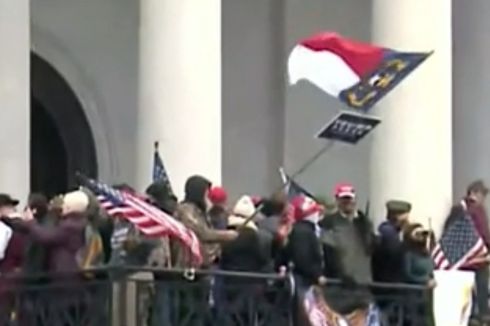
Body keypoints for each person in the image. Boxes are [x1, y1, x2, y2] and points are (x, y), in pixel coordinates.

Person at [319, 183, 376, 316]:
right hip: (340, 286)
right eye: (343, 199)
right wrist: (340, 274)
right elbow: (328, 252)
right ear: (337, 201)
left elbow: (371, 247)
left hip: (364, 283)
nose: (347, 203)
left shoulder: (364, 222)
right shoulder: (329, 223)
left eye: (349, 199)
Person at [444, 180, 490, 325]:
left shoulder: (458, 210)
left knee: (472, 290)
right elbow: (483, 233)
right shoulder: (473, 210)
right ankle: (480, 316)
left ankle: (474, 315)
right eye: (483, 195)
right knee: (479, 288)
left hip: (464, 259)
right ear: (475, 193)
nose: (483, 199)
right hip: (475, 259)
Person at [172, 175, 237, 268]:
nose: (207, 199)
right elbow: (202, 232)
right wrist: (227, 235)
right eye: (206, 194)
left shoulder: (199, 211)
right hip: (187, 265)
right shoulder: (186, 210)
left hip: (199, 264)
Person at [403, 223, 436, 326]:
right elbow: (407, 274)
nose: (422, 237)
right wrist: (424, 280)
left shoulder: (428, 254)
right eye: (419, 234)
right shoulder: (409, 254)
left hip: (428, 295)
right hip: (413, 294)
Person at [372, 200, 411, 283]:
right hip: (388, 283)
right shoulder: (388, 232)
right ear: (396, 216)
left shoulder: (393, 232)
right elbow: (395, 253)